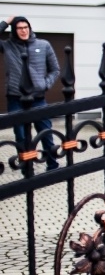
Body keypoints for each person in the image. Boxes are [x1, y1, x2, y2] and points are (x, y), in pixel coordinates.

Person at [1, 16, 60, 170]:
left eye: (26, 27)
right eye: (19, 28)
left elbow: (55, 69)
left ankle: (52, 166)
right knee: (21, 136)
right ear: (14, 30)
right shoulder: (8, 46)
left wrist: (45, 84)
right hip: (16, 98)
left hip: (38, 98)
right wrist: (6, 22)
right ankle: (27, 169)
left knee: (45, 133)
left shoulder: (43, 45)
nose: (23, 31)